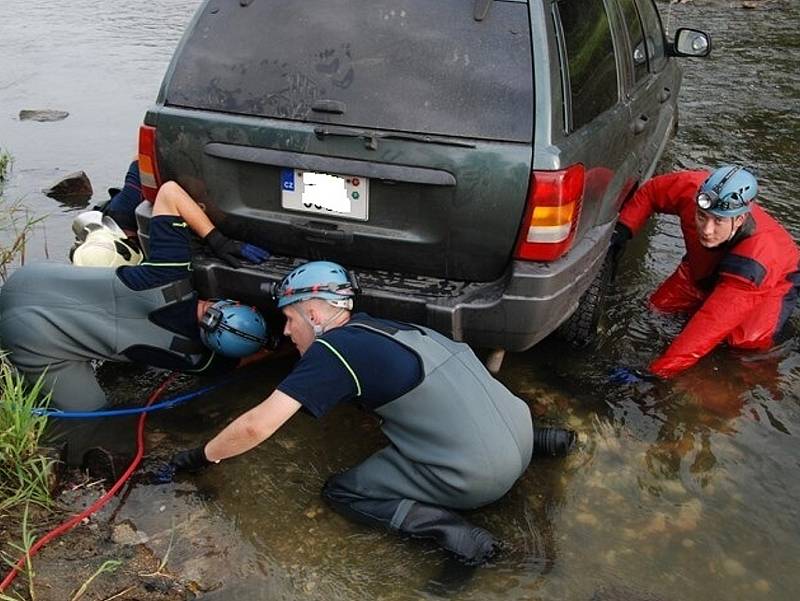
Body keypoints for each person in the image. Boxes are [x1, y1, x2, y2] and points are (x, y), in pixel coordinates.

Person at [167, 260, 575, 565]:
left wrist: (200, 456)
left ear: (312, 313)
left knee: (342, 491)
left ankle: (459, 536)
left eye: (290, 320)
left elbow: (257, 426)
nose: (287, 332)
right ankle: (546, 440)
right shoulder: (385, 327)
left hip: (482, 478)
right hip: (518, 429)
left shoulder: (332, 351)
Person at [0, 179, 271, 467]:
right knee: (91, 413)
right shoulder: (196, 360)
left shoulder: (170, 275)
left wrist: (219, 241)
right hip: (26, 337)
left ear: (227, 303)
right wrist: (276, 350)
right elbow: (251, 360)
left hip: (31, 279)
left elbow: (169, 192)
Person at [610, 165, 800, 379]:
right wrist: (625, 227)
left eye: (718, 221)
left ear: (739, 220)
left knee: (745, 342)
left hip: (773, 277)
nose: (707, 230)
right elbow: (653, 191)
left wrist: (658, 371)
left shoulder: (757, 259)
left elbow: (710, 323)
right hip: (703, 265)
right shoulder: (691, 188)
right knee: (657, 308)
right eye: (702, 216)